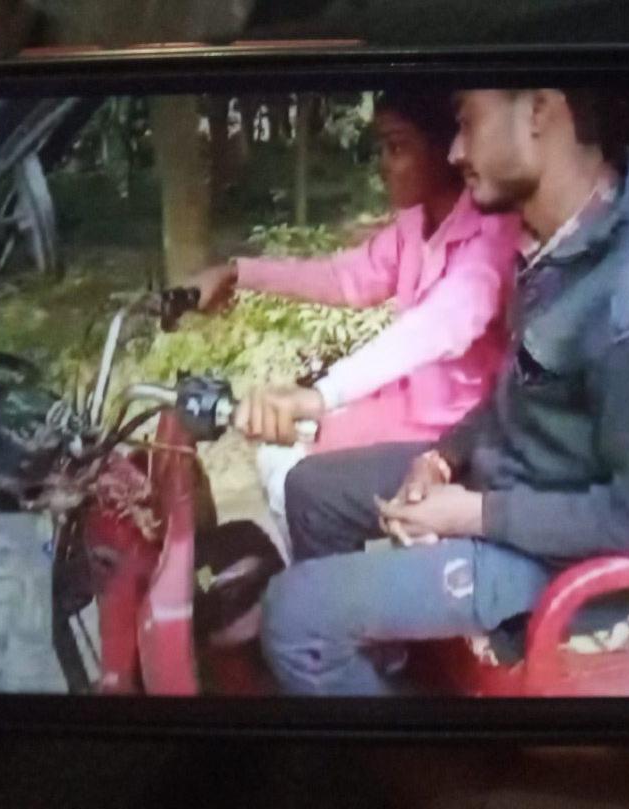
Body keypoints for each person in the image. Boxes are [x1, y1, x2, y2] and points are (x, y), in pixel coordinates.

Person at [258, 88, 629, 695]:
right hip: (510, 488)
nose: (456, 151)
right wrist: (443, 458)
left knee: (294, 616)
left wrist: (474, 513)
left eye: (469, 122)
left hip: (566, 561)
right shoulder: (557, 250)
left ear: (540, 111)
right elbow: (518, 393)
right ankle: (380, 668)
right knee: (311, 489)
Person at [190, 92, 521, 553]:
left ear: (445, 149)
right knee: (275, 455)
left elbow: (440, 326)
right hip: (400, 413)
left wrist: (320, 395)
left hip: (451, 439)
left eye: (397, 147)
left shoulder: (493, 234)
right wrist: (238, 273)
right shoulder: (414, 225)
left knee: (296, 478)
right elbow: (344, 279)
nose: (384, 164)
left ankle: (321, 583)